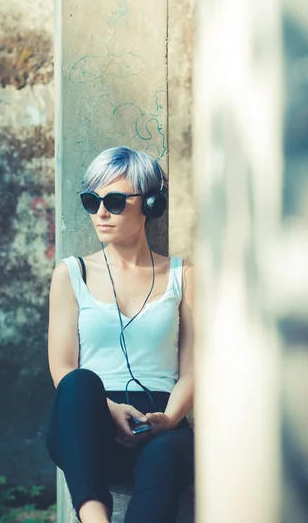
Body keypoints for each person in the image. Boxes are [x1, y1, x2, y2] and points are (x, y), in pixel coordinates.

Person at [46, 146, 195, 523]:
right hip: (92, 422)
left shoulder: (184, 275)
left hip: (162, 422)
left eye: (113, 201)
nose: (100, 213)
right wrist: (110, 411)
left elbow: (195, 368)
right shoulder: (71, 273)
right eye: (91, 201)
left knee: (164, 456)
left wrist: (170, 417)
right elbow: (62, 367)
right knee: (79, 383)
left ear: (150, 204)